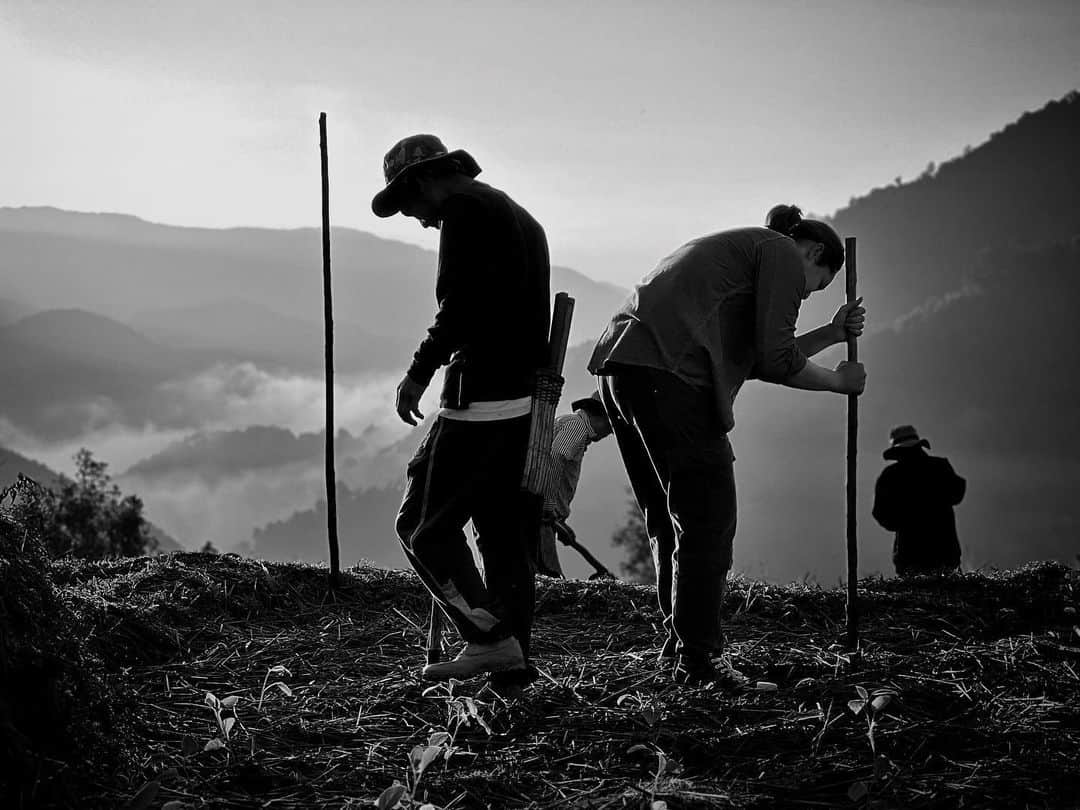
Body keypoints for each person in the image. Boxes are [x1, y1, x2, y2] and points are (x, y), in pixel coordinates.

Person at [588, 204, 867, 688]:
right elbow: (778, 360)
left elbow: (758, 356)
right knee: (710, 521)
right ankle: (701, 657)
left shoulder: (742, 253)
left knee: (670, 519)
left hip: (626, 371)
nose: (806, 293)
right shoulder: (779, 251)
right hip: (673, 380)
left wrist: (831, 334)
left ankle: (681, 644)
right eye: (815, 285)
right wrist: (839, 384)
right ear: (815, 252)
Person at [373, 134, 551, 686]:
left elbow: (458, 308)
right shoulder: (517, 214)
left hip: (482, 398)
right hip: (519, 398)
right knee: (500, 533)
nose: (416, 219)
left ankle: (489, 639)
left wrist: (418, 371)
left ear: (423, 181)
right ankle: (513, 657)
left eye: (408, 204)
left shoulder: (464, 212)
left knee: (421, 527)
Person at [537, 391, 614, 578]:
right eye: (611, 426)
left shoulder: (573, 426)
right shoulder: (577, 427)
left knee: (543, 574)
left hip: (546, 517)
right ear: (600, 416)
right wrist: (548, 507)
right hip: (540, 515)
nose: (610, 432)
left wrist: (559, 521)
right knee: (549, 576)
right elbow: (557, 456)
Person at [872, 425, 966, 577]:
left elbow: (881, 513)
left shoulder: (891, 476)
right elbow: (957, 493)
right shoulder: (940, 466)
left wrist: (904, 521)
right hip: (945, 550)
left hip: (910, 554)